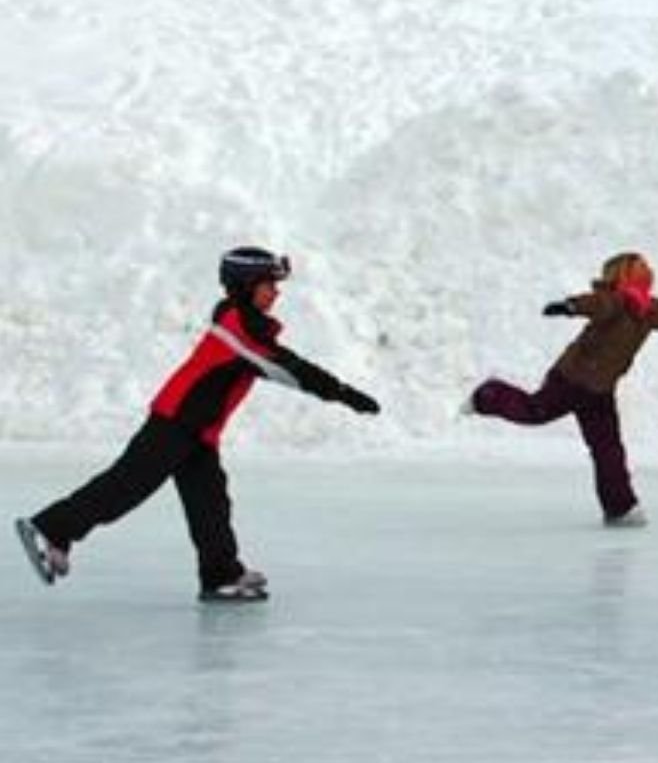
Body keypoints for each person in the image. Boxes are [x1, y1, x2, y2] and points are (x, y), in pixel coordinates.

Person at [13, 246, 382, 602]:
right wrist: (344, 394)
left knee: (210, 504)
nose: (276, 292)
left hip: (197, 431)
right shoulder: (239, 330)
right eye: (269, 284)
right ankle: (50, 529)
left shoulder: (243, 323)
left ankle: (221, 576)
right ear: (245, 285)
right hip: (176, 423)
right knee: (124, 487)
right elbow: (288, 369)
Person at [465, 251, 658, 527]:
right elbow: (597, 304)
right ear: (624, 275)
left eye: (648, 266)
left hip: (600, 389)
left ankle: (620, 508)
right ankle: (488, 395)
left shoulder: (649, 309)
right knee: (535, 411)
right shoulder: (618, 300)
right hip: (572, 379)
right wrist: (570, 306)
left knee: (608, 449)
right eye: (641, 267)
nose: (648, 270)